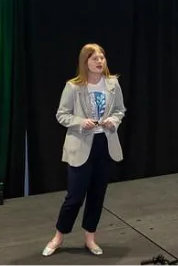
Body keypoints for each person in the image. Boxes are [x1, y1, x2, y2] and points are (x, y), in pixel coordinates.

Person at [43, 43, 126, 257]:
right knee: (75, 196)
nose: (100, 62)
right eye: (94, 58)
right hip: (81, 146)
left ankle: (90, 237)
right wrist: (81, 122)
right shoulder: (73, 87)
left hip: (104, 145)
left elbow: (120, 110)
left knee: (97, 194)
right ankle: (59, 236)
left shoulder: (112, 84)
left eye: (102, 57)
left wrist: (112, 121)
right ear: (85, 63)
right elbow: (62, 115)